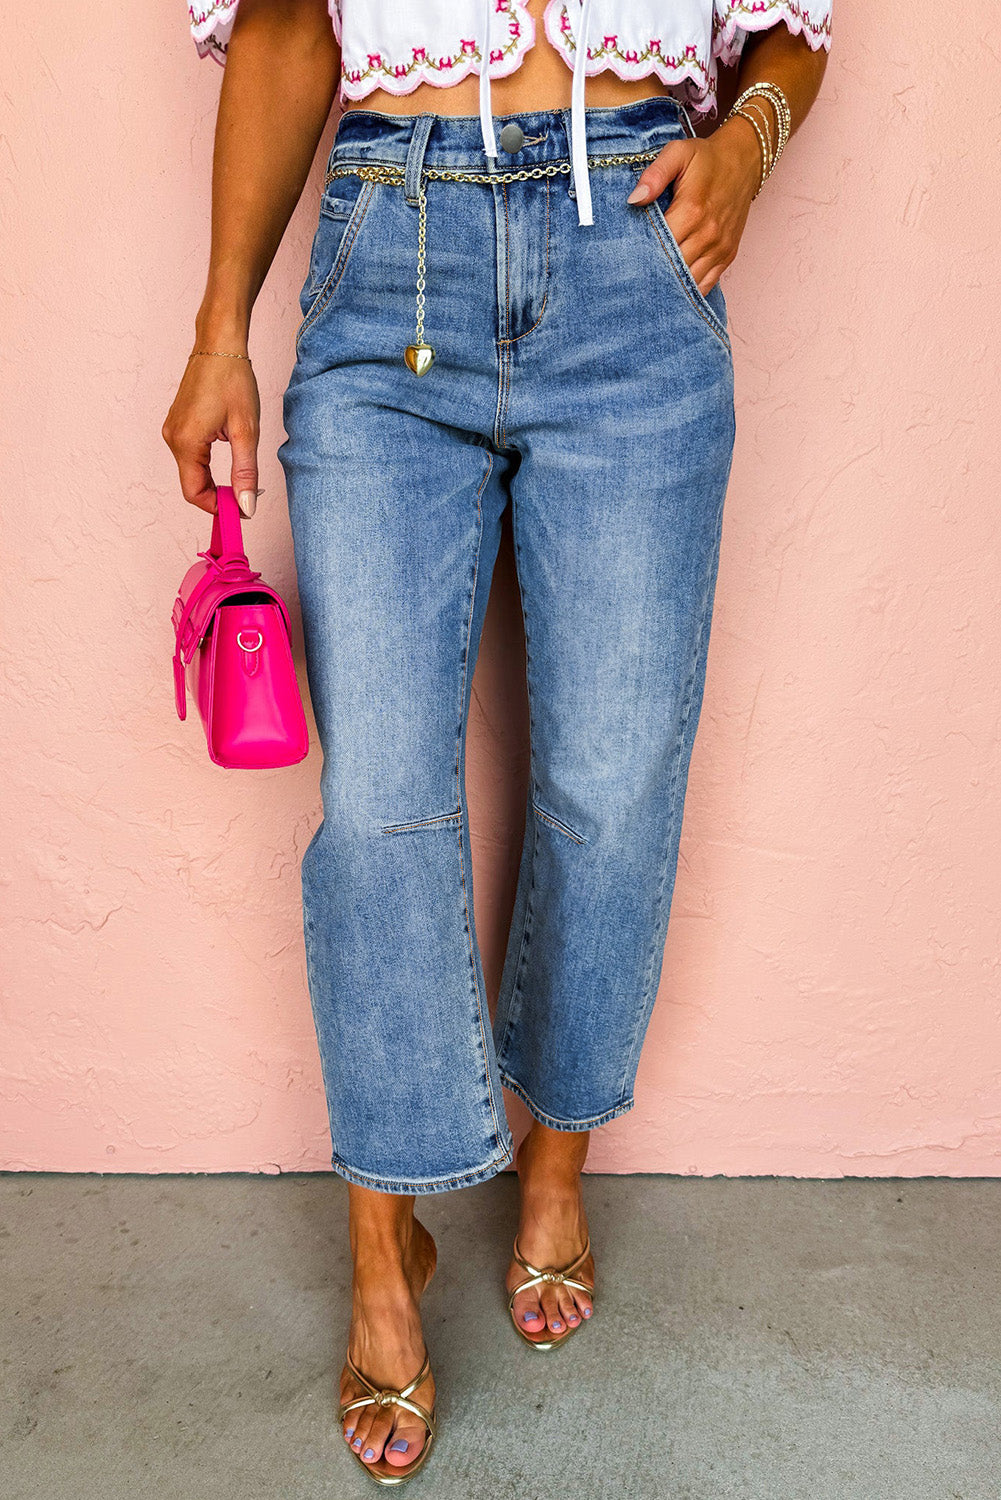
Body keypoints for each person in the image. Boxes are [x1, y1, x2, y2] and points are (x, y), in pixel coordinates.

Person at [164, 0, 831, 1483]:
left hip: (634, 256)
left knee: (614, 776)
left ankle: (556, 1158)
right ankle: (382, 1244)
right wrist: (220, 329)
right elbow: (286, 27)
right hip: (391, 248)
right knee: (378, 803)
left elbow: (792, 30)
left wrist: (748, 141)